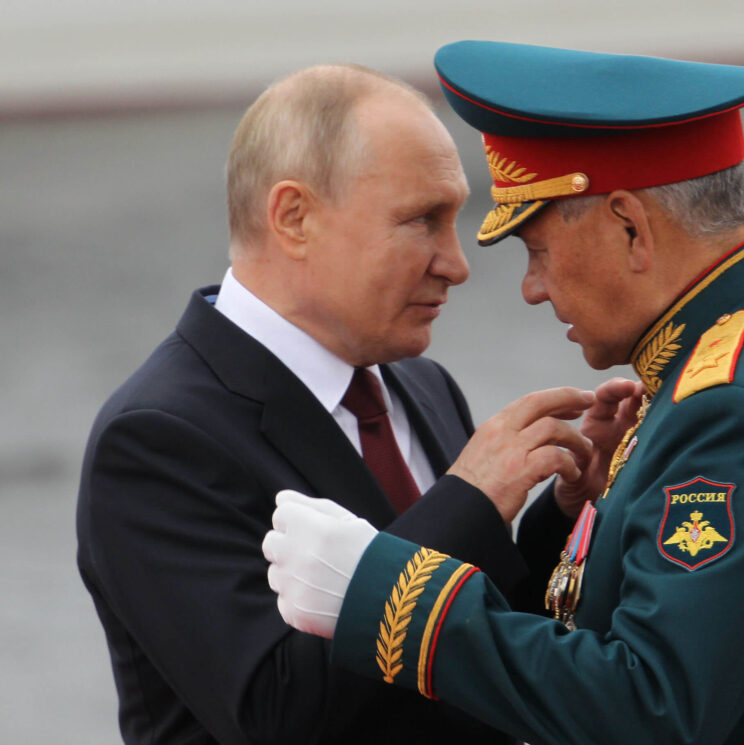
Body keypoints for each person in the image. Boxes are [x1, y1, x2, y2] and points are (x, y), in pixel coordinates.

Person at [264, 42, 744, 745]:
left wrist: (392, 594)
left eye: (538, 251)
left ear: (630, 226)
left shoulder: (736, 410)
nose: (532, 287)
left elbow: (646, 710)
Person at [76, 63, 597, 745]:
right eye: (423, 221)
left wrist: (559, 509)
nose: (456, 262)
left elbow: (468, 644)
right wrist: (471, 500)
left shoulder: (422, 386)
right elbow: (275, 712)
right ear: (294, 218)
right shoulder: (156, 438)